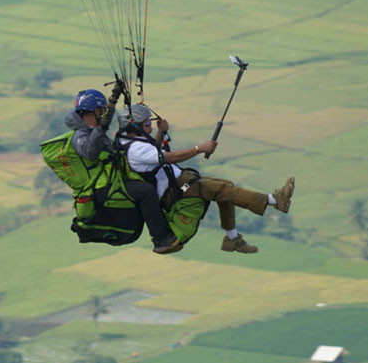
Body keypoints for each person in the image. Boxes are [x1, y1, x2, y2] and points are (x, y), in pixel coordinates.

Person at [116, 104, 294, 254]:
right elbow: (171, 157)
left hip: (177, 182)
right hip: (174, 190)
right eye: (147, 124)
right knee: (222, 190)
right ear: (135, 127)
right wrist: (200, 148)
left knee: (225, 187)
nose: (151, 127)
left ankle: (232, 239)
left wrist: (161, 133)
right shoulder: (137, 148)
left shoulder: (129, 142)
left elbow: (153, 152)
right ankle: (274, 200)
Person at [65, 86, 183, 255]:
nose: (104, 114)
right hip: (102, 188)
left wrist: (114, 96)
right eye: (101, 110)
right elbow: (91, 152)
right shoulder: (80, 136)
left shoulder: (92, 130)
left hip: (113, 180)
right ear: (95, 110)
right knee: (146, 191)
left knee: (149, 179)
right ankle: (161, 239)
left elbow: (104, 124)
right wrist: (101, 128)